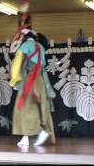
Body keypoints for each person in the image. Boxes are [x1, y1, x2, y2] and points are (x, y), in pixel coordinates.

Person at [9, 12, 56, 146]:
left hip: (29, 80)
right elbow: (42, 66)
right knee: (36, 107)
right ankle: (27, 137)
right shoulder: (40, 47)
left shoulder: (25, 46)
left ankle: (40, 131)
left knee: (25, 107)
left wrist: (14, 79)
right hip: (40, 81)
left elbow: (17, 64)